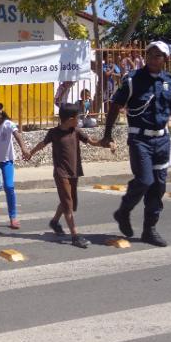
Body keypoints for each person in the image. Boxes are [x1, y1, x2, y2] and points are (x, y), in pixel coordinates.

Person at [100, 41, 171, 247]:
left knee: (158, 186)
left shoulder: (169, 81)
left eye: (158, 55)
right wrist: (107, 134)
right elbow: (115, 106)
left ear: (165, 59)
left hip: (162, 140)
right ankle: (124, 210)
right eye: (150, 53)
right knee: (145, 179)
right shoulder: (133, 80)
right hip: (140, 138)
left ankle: (149, 229)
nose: (152, 57)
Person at [29, 104, 112, 248]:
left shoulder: (76, 131)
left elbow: (92, 142)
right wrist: (30, 153)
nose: (79, 120)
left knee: (68, 200)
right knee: (68, 203)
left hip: (74, 172)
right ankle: (75, 236)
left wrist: (105, 144)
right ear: (70, 119)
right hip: (61, 173)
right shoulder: (54, 133)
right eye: (78, 117)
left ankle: (54, 222)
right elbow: (42, 144)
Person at [0, 104, 31, 229]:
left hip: (7, 160)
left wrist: (24, 148)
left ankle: (13, 217)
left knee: (9, 187)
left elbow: (17, 136)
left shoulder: (8, 124)